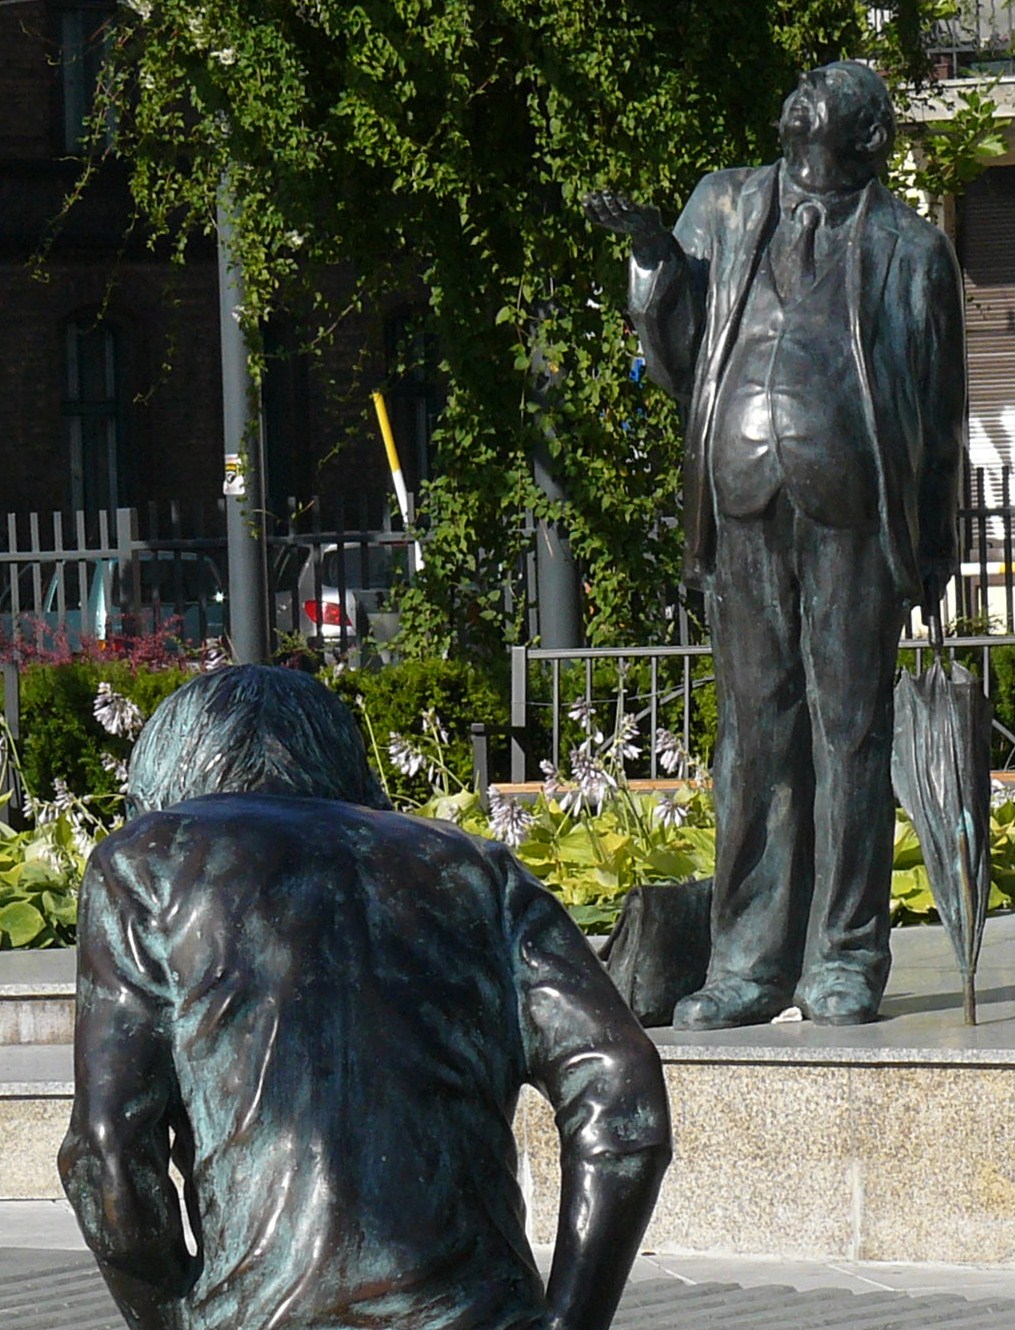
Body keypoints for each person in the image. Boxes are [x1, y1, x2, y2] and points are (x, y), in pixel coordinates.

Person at [59, 666, 671, 1330]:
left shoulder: (146, 863)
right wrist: (571, 1321)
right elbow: (622, 1092)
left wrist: (171, 1318)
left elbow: (107, 1153)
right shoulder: (479, 873)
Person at [584, 61, 964, 1028]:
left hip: (854, 514)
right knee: (753, 737)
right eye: (803, 80)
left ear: (869, 134)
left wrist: (936, 540)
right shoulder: (721, 205)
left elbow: (940, 407)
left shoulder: (909, 249)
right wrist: (647, 261)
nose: (806, 90)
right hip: (742, 500)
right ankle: (748, 963)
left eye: (832, 86)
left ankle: (842, 954)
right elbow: (675, 347)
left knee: (849, 734)